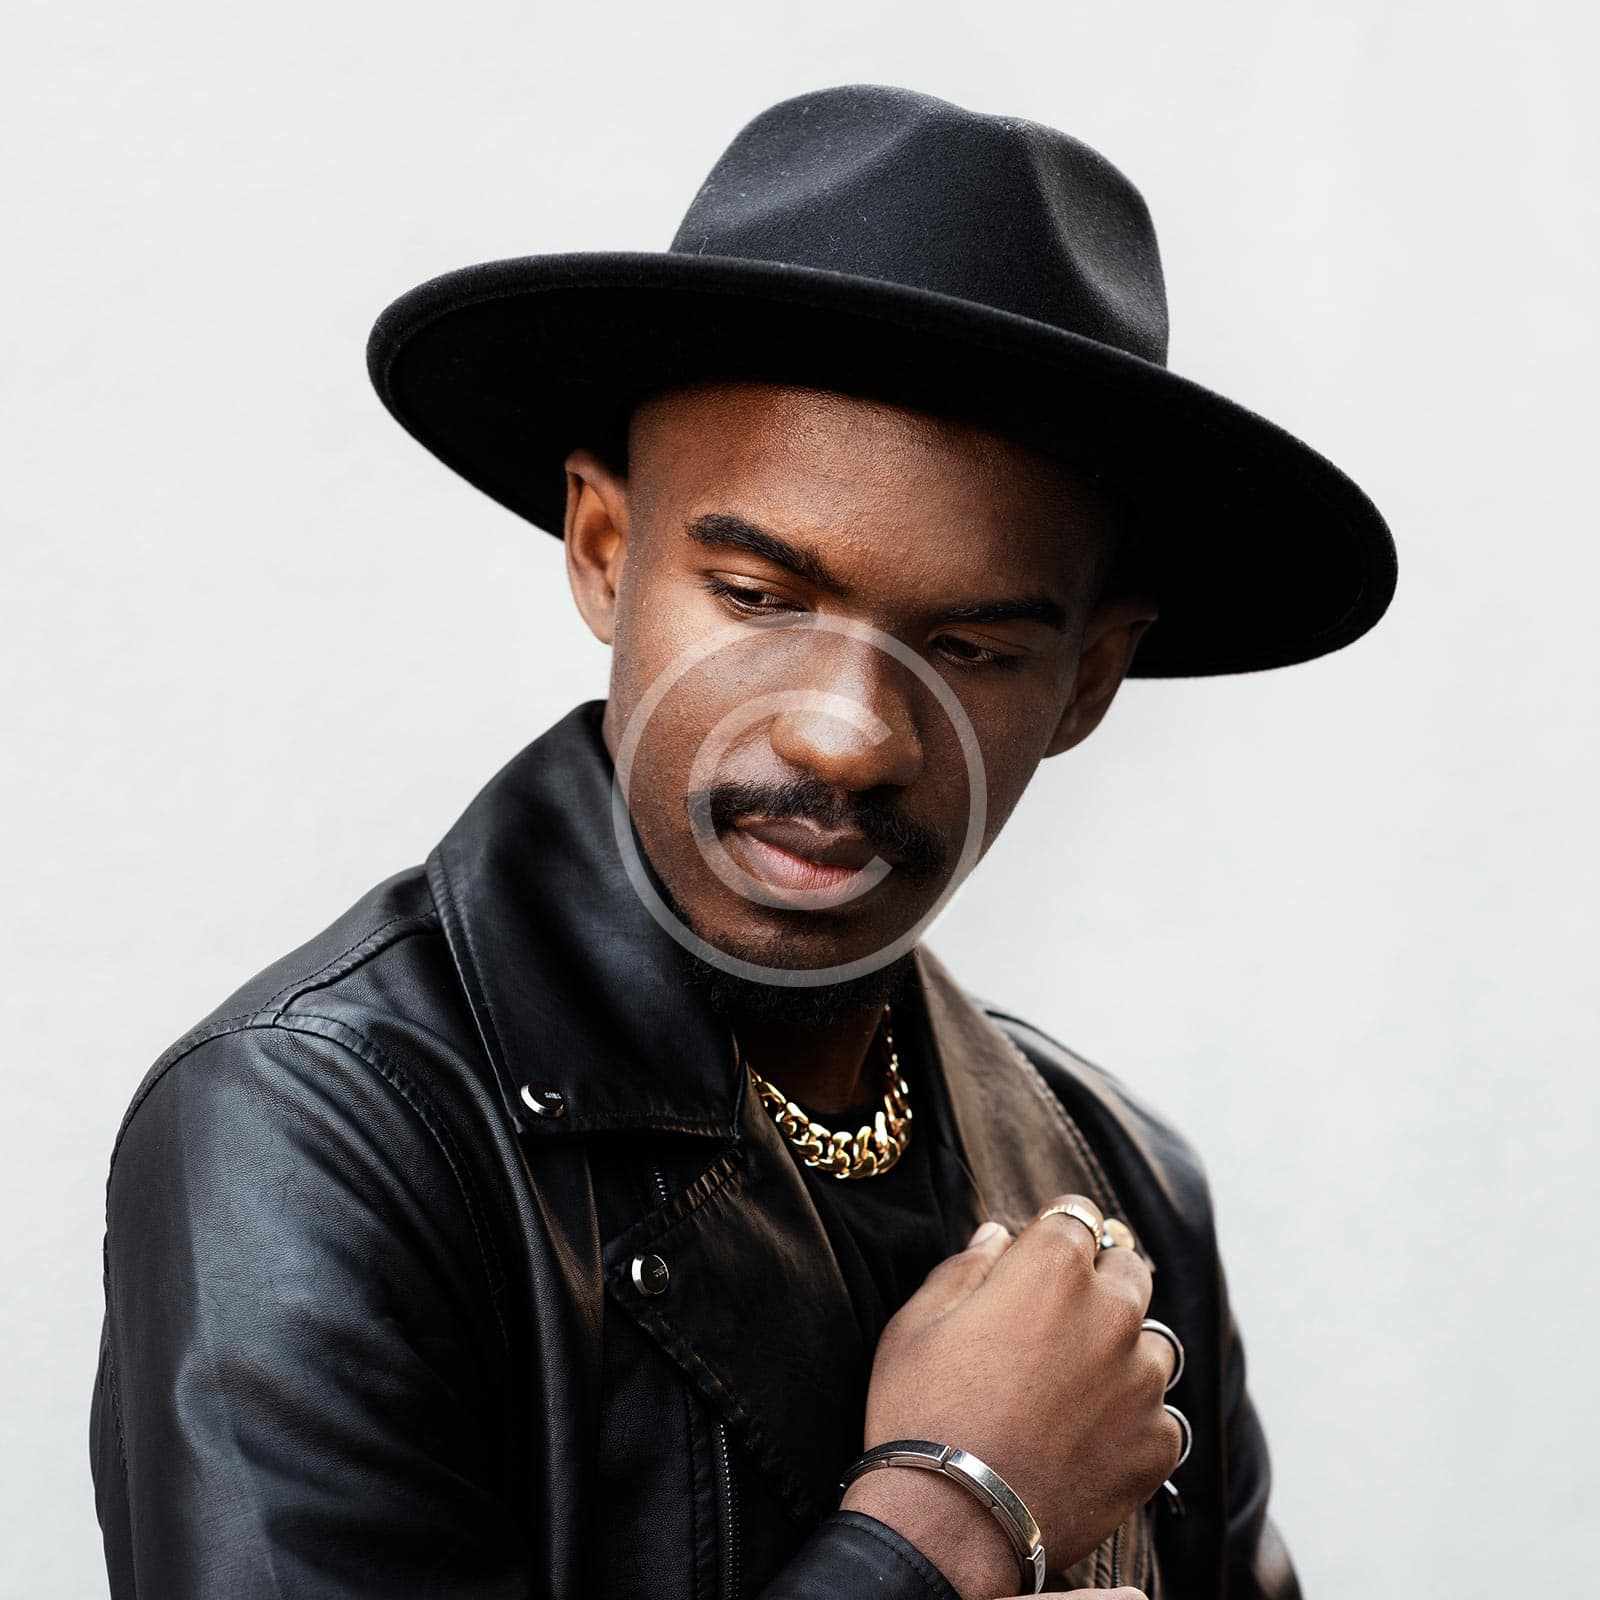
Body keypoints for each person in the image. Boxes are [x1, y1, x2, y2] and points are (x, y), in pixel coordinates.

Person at [89, 83, 1394, 1600]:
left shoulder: (1122, 1184)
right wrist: (953, 1517)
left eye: (969, 647)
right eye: (761, 600)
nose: (847, 737)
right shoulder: (321, 1130)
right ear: (605, 552)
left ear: (1089, 682)